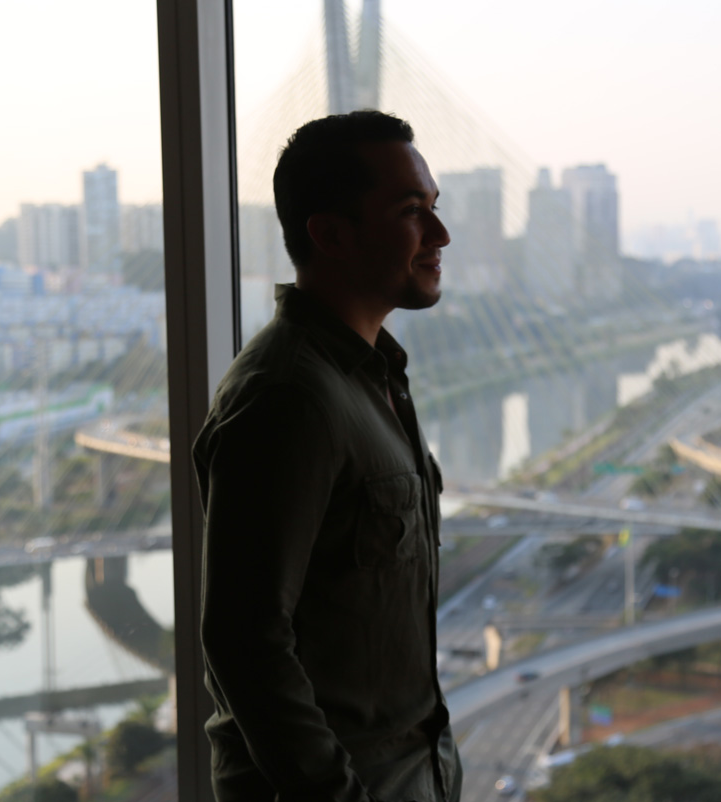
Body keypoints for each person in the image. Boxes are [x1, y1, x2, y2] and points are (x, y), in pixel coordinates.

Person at [194, 110, 460, 802]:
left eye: (435, 208)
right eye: (411, 212)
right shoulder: (288, 397)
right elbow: (245, 640)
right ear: (331, 234)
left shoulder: (370, 377)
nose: (440, 235)